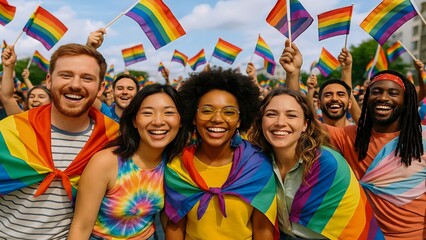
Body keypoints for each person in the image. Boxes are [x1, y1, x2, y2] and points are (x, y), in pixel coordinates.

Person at [280, 39, 425, 239]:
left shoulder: (422, 139)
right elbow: (300, 120)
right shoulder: (349, 135)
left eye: (393, 93)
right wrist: (293, 73)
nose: (383, 98)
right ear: (366, 99)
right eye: (376, 92)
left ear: (406, 101)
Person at [0, 43, 119, 239]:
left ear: (101, 88)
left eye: (87, 78)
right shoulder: (10, 130)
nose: (75, 84)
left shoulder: (112, 139)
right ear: (49, 80)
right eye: (65, 75)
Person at [248, 88, 384, 240]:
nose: (280, 122)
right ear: (261, 121)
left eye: (291, 115)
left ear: (305, 124)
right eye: (271, 114)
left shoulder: (326, 163)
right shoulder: (259, 161)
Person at [165, 68, 277, 240]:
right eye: (207, 110)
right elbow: (174, 226)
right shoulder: (177, 166)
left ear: (240, 120)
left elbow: (263, 230)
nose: (217, 119)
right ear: (193, 117)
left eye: (229, 112)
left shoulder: (258, 166)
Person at [69, 84, 187, 239]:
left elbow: (169, 221)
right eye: (147, 113)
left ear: (181, 121)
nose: (158, 121)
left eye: (169, 113)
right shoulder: (106, 162)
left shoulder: (175, 163)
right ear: (134, 121)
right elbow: (81, 227)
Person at [1, 45, 51, 115]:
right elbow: (7, 97)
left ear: (52, 101)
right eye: (31, 96)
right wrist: (8, 66)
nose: (35, 100)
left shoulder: (62, 123)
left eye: (41, 97)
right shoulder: (22, 120)